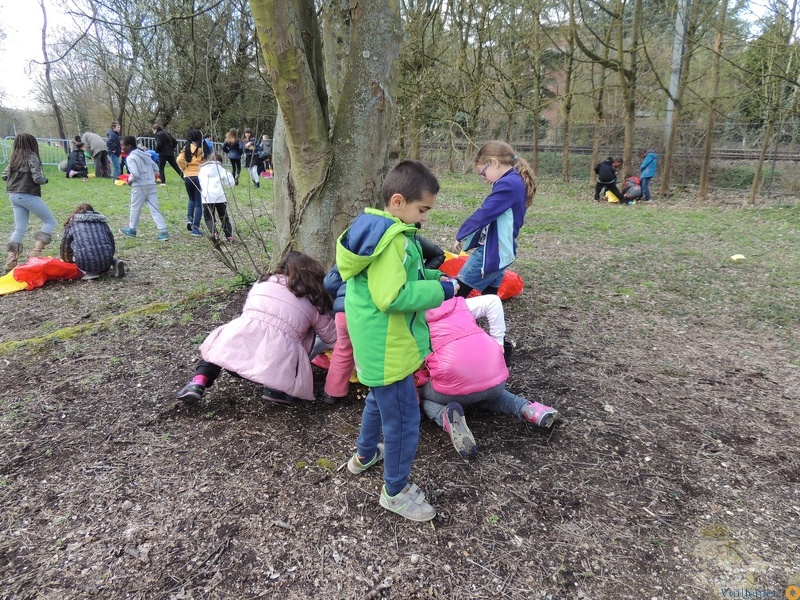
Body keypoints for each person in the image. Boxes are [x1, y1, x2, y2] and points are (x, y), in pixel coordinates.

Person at [336, 159, 457, 523]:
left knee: (377, 398)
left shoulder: (374, 230)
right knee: (404, 421)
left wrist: (434, 275)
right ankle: (396, 490)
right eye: (422, 210)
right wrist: (442, 290)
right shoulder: (393, 242)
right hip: (390, 347)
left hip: (374, 344)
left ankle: (365, 454)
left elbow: (399, 278)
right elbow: (392, 296)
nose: (423, 219)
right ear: (399, 201)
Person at [176, 250, 336, 405]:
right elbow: (333, 337)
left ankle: (199, 382)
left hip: (236, 355)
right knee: (282, 349)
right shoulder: (313, 301)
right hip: (274, 367)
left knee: (217, 346)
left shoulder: (262, 283)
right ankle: (276, 390)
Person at [420, 295, 558, 458]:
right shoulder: (458, 304)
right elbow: (493, 301)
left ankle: (445, 417)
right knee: (491, 394)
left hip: (453, 388)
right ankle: (529, 409)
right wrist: (498, 341)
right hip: (494, 378)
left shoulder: (415, 319)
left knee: (423, 397)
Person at [321, 231, 445, 405]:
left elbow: (330, 282)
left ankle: (332, 392)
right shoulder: (394, 250)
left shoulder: (354, 251)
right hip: (369, 315)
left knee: (343, 349)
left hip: (345, 310)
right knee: (395, 357)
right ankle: (407, 401)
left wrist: (341, 295)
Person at [454, 141, 535, 297]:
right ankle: (493, 320)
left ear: (494, 163)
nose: (484, 178)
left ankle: (449, 320)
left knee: (458, 290)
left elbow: (485, 213)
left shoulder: (508, 184)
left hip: (492, 250)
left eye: (483, 173)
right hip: (503, 249)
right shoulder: (515, 180)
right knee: (490, 295)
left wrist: (461, 234)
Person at [3, 133, 57, 272]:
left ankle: (10, 261)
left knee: (19, 228)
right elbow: (37, 178)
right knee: (50, 221)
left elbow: (4, 175)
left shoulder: (15, 157)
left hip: (13, 195)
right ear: (32, 143)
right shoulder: (31, 155)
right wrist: (46, 180)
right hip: (26, 194)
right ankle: (35, 253)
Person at [118, 135, 170, 241]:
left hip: (139, 186)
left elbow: (135, 173)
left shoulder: (131, 158)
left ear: (129, 146)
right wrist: (152, 176)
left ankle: (132, 229)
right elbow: (156, 168)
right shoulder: (144, 154)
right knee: (155, 208)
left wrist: (129, 180)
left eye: (123, 145)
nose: (122, 147)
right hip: (151, 184)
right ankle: (163, 231)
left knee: (135, 207)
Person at [60, 203, 125, 280]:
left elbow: (65, 246)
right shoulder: (102, 222)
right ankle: (112, 262)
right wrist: (110, 256)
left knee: (77, 248)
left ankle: (88, 272)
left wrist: (67, 260)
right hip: (106, 262)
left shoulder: (73, 224)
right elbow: (111, 242)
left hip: (84, 263)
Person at [176, 129, 209, 237]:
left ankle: (189, 219)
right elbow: (206, 161)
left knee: (191, 199)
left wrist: (184, 168)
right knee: (199, 203)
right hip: (198, 176)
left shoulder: (186, 147)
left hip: (187, 177)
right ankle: (195, 228)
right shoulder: (203, 149)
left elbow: (179, 159)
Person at [197, 153, 235, 242]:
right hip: (220, 196)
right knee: (224, 217)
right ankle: (229, 236)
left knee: (209, 217)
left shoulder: (202, 169)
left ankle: (214, 233)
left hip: (207, 196)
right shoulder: (221, 169)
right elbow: (230, 183)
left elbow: (200, 181)